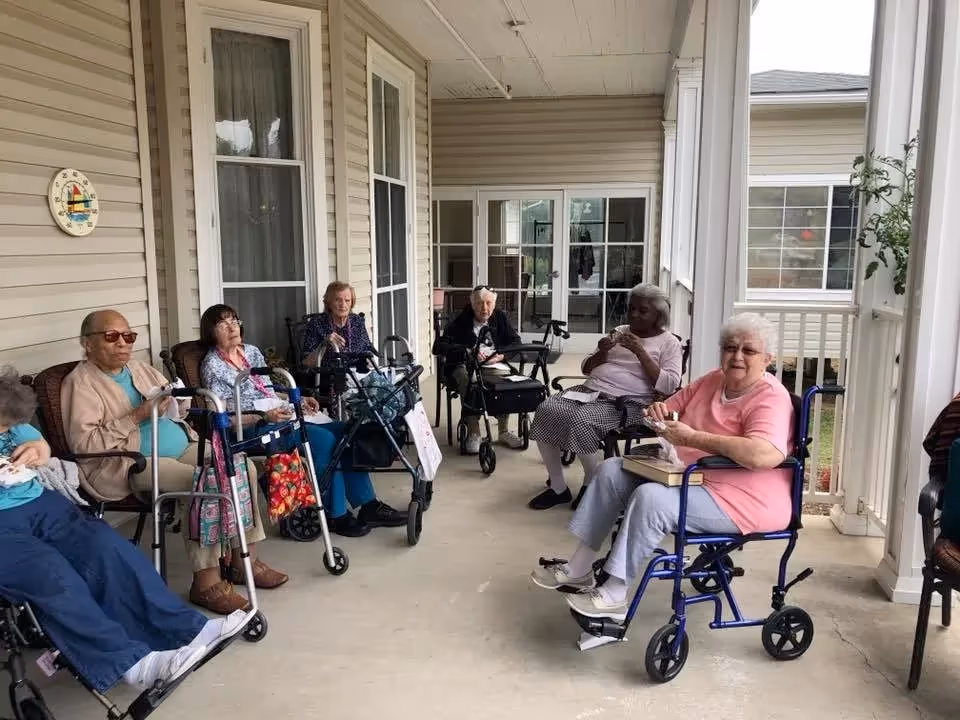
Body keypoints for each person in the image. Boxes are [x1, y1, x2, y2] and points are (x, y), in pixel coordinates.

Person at [530, 313, 794, 621]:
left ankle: (615, 593)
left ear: (768, 359)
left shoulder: (771, 398)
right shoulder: (713, 380)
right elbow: (667, 408)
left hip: (743, 499)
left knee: (651, 498)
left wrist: (696, 438)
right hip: (693, 477)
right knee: (610, 470)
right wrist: (657, 411)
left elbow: (763, 455)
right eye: (730, 348)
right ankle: (580, 568)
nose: (736, 356)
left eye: (748, 351)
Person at [0, 366, 248, 693]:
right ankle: (133, 664)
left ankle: (187, 630)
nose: (5, 432)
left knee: (105, 545)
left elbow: (39, 446)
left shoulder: (8, 423)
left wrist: (35, 452)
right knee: (50, 573)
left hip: (37, 503)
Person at [61, 310, 288, 615]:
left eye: (128, 336)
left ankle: (242, 559)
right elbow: (85, 444)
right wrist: (137, 416)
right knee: (205, 482)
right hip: (131, 463)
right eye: (111, 336)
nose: (122, 344)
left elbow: (177, 404)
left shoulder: (139, 369)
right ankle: (206, 583)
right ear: (86, 343)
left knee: (241, 468)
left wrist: (176, 404)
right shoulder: (80, 384)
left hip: (182, 444)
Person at [199, 304, 407, 538]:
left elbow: (266, 392)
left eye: (234, 320)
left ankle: (368, 505)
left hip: (279, 414)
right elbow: (219, 415)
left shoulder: (251, 352)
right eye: (223, 323)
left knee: (347, 431)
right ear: (210, 332)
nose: (232, 327)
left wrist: (296, 399)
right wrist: (262, 416)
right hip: (253, 427)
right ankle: (335, 514)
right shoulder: (212, 366)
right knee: (324, 440)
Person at [526, 284, 683, 510]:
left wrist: (640, 352)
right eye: (631, 308)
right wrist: (601, 352)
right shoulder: (620, 330)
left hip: (629, 402)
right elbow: (586, 368)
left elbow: (669, 384)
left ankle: (591, 484)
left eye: (642, 310)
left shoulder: (669, 343)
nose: (634, 315)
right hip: (590, 391)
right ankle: (558, 488)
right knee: (546, 409)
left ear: (659, 315)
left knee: (581, 421)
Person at [434, 285, 524, 453]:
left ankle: (503, 431)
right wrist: (467, 351)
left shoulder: (499, 318)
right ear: (472, 304)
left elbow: (516, 342)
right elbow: (439, 346)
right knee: (468, 381)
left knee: (505, 381)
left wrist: (501, 356)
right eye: (479, 303)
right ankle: (474, 432)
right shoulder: (461, 320)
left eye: (489, 303)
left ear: (494, 304)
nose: (484, 308)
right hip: (464, 364)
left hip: (493, 364)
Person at [301, 282, 374, 367]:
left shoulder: (357, 321)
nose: (343, 305)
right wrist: (324, 344)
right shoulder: (316, 323)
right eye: (337, 300)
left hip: (356, 375)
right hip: (329, 375)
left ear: (352, 303)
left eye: (347, 300)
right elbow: (306, 363)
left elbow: (367, 350)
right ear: (329, 303)